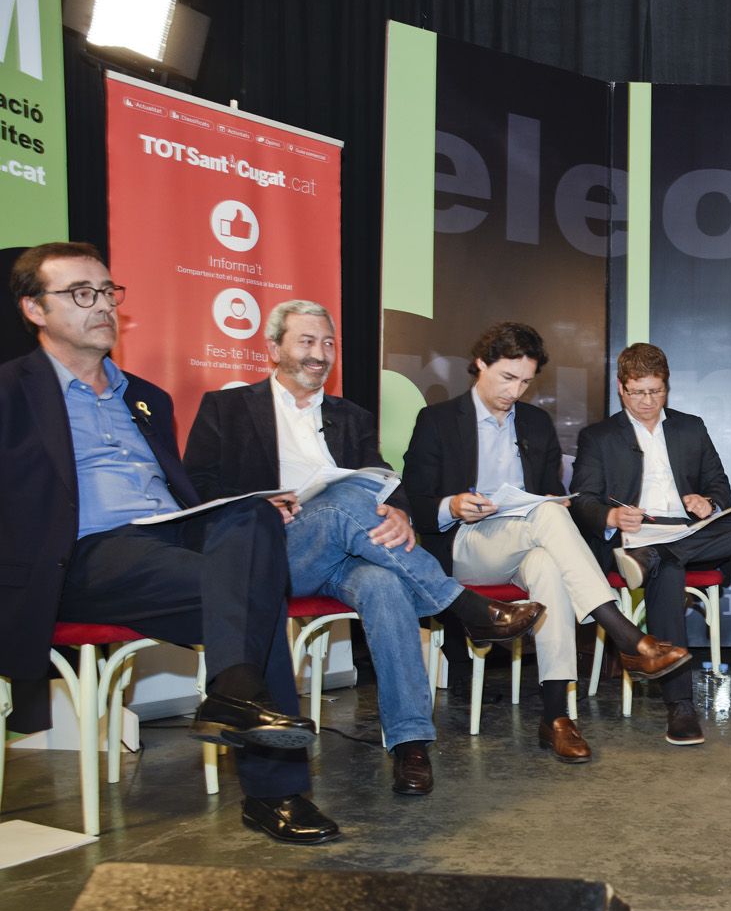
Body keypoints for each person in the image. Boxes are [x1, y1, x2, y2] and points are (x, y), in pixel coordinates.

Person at [1, 242, 334, 844]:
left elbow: (186, 490)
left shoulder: (145, 396)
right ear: (34, 309)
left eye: (107, 292)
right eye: (80, 294)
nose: (101, 305)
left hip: (169, 537)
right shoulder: (9, 392)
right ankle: (275, 793)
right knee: (252, 593)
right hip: (81, 555)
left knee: (252, 519)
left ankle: (233, 690)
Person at [183, 300, 546, 796]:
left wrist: (397, 511)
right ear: (273, 348)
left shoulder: (349, 416)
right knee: (342, 502)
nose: (320, 354)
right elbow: (197, 494)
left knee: (383, 583)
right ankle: (461, 605)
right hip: (272, 554)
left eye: (328, 343)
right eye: (307, 342)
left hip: (348, 553)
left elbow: (382, 482)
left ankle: (409, 743)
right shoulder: (227, 409)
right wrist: (260, 506)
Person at [401, 322, 689, 764]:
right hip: (465, 545)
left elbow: (550, 493)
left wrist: (552, 500)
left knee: (549, 564)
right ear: (480, 364)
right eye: (506, 377)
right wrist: (453, 505)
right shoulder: (438, 421)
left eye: (525, 381)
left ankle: (556, 716)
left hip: (527, 539)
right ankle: (626, 636)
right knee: (549, 518)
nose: (515, 391)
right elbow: (415, 506)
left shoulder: (535, 423)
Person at [570, 343, 731, 746]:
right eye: (638, 392)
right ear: (621, 388)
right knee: (668, 569)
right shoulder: (599, 436)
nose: (648, 401)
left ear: (667, 387)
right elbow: (582, 500)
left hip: (685, 533)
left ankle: (656, 557)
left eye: (656, 391)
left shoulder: (689, 427)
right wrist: (610, 517)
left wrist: (708, 501)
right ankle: (680, 705)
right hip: (633, 534)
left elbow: (720, 486)